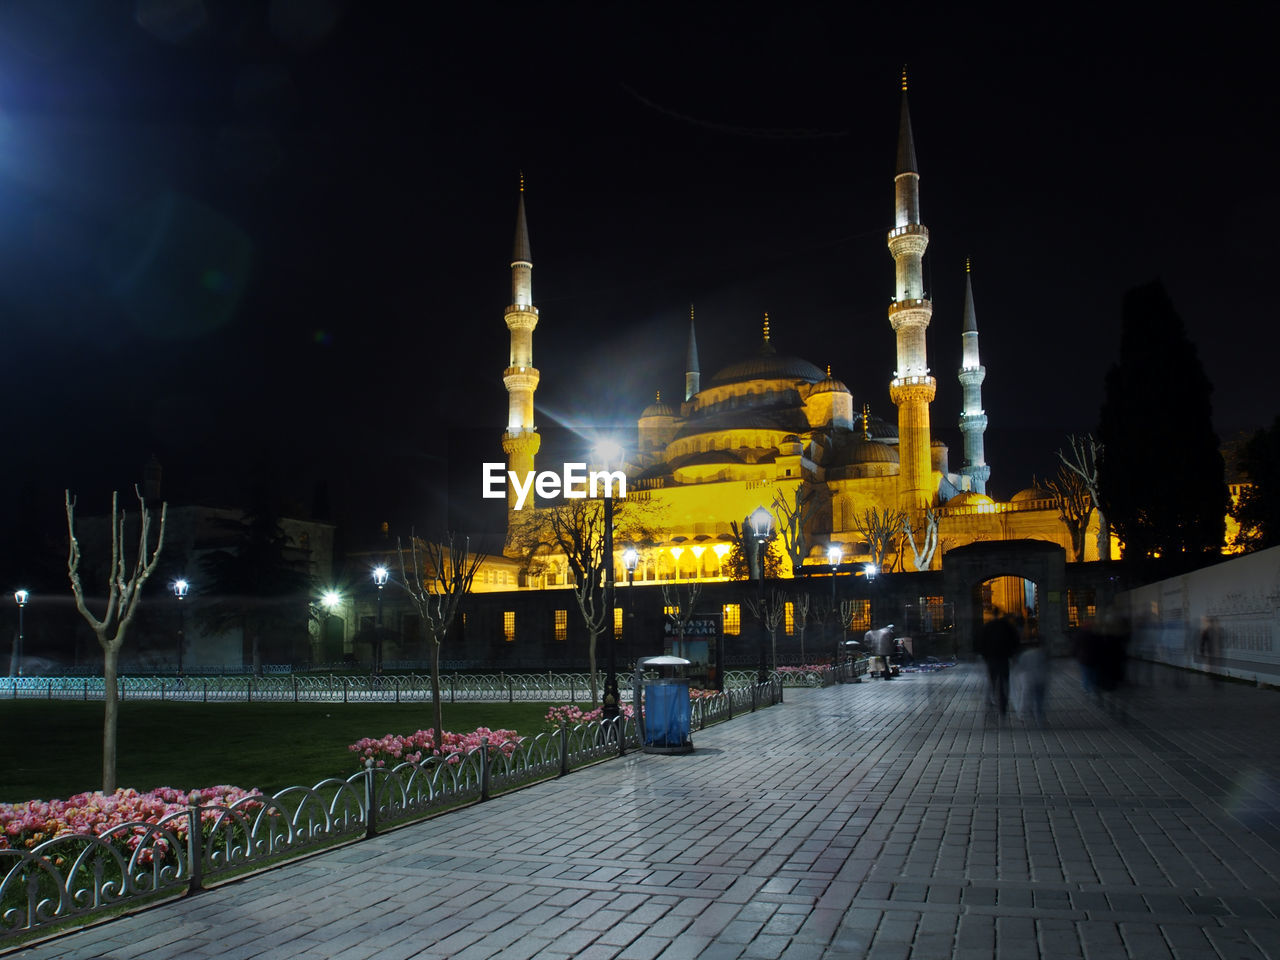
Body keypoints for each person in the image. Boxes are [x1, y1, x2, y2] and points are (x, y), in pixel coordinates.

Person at [977, 610, 1020, 716]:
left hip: (991, 658)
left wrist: (984, 655)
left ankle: (991, 700)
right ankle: (1003, 704)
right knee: (1004, 681)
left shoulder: (988, 626)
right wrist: (1013, 653)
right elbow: (1015, 640)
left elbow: (981, 641)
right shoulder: (1007, 626)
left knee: (993, 679)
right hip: (1004, 658)